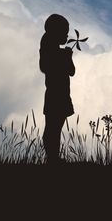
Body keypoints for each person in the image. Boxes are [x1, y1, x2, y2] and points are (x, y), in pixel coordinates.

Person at [39, 14, 75, 164]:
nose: (67, 36)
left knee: (54, 128)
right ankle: (53, 159)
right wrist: (66, 57)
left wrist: (67, 56)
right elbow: (46, 67)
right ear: (56, 32)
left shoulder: (55, 51)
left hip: (58, 94)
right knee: (53, 129)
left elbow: (71, 71)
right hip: (56, 95)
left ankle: (53, 158)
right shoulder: (50, 49)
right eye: (64, 32)